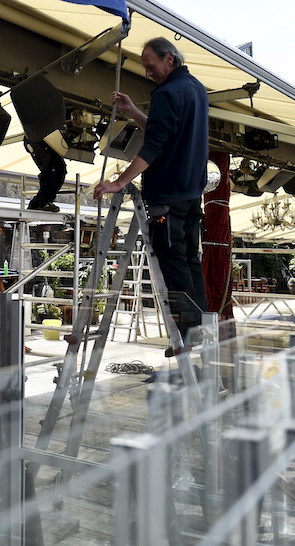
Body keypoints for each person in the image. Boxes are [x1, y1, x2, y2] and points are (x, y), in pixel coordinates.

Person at [93, 37, 208, 355]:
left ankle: (184, 332)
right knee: (189, 259)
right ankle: (200, 325)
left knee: (172, 261)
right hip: (190, 193)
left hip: (167, 192)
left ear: (169, 59)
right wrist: (132, 111)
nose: (147, 73)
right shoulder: (195, 89)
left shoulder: (167, 93)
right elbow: (166, 132)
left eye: (150, 66)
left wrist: (120, 182)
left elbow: (155, 146)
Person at [24, 137, 67, 212]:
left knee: (60, 168)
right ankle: (41, 202)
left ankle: (45, 201)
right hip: (35, 139)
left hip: (46, 141)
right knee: (48, 166)